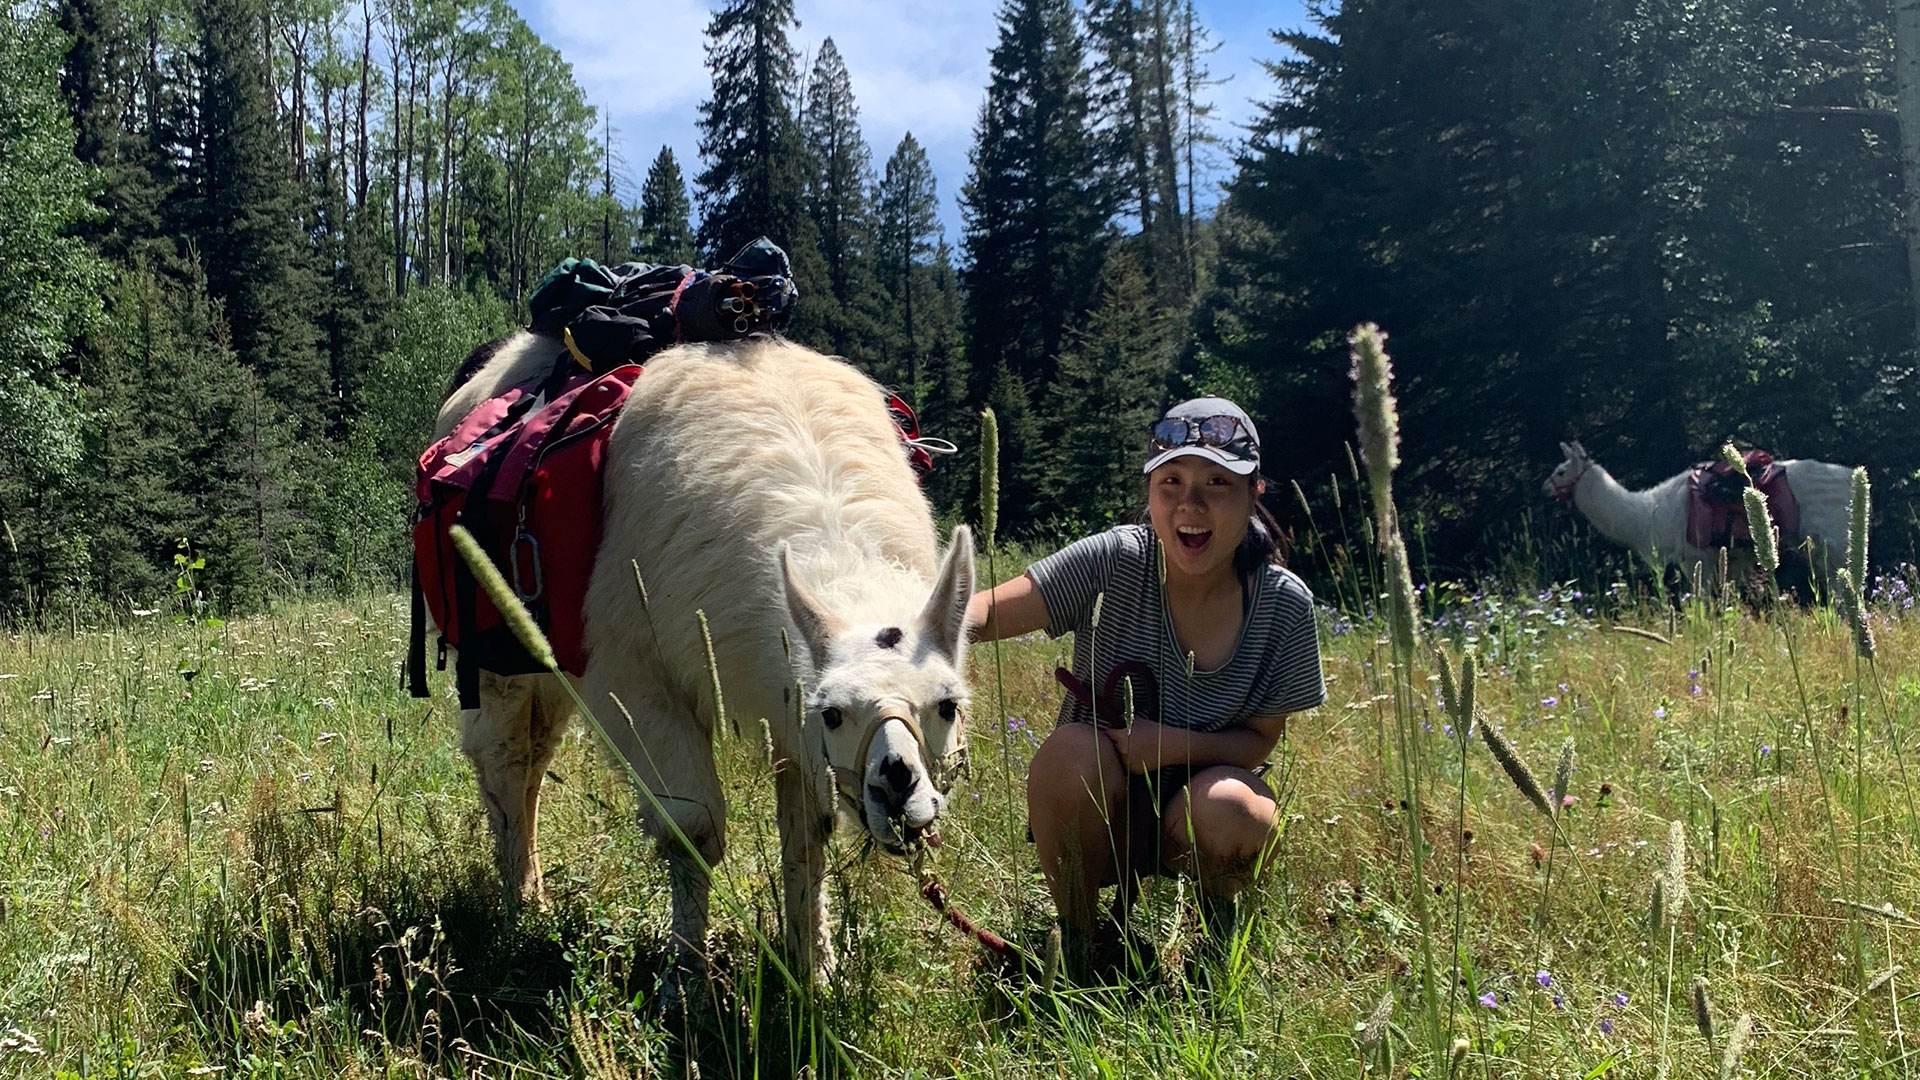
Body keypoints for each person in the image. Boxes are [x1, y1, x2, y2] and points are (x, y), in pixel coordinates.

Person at [964, 396, 1325, 971]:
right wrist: (905, 627)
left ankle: (1215, 939)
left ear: (1254, 495)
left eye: (1216, 483)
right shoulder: (1114, 559)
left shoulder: (1282, 605)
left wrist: (1177, 746)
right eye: (1172, 482)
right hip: (1101, 800)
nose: (1191, 504)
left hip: (1199, 809)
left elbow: (1260, 739)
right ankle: (1082, 943)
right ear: (1151, 493)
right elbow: (983, 611)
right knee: (1067, 753)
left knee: (1239, 810)